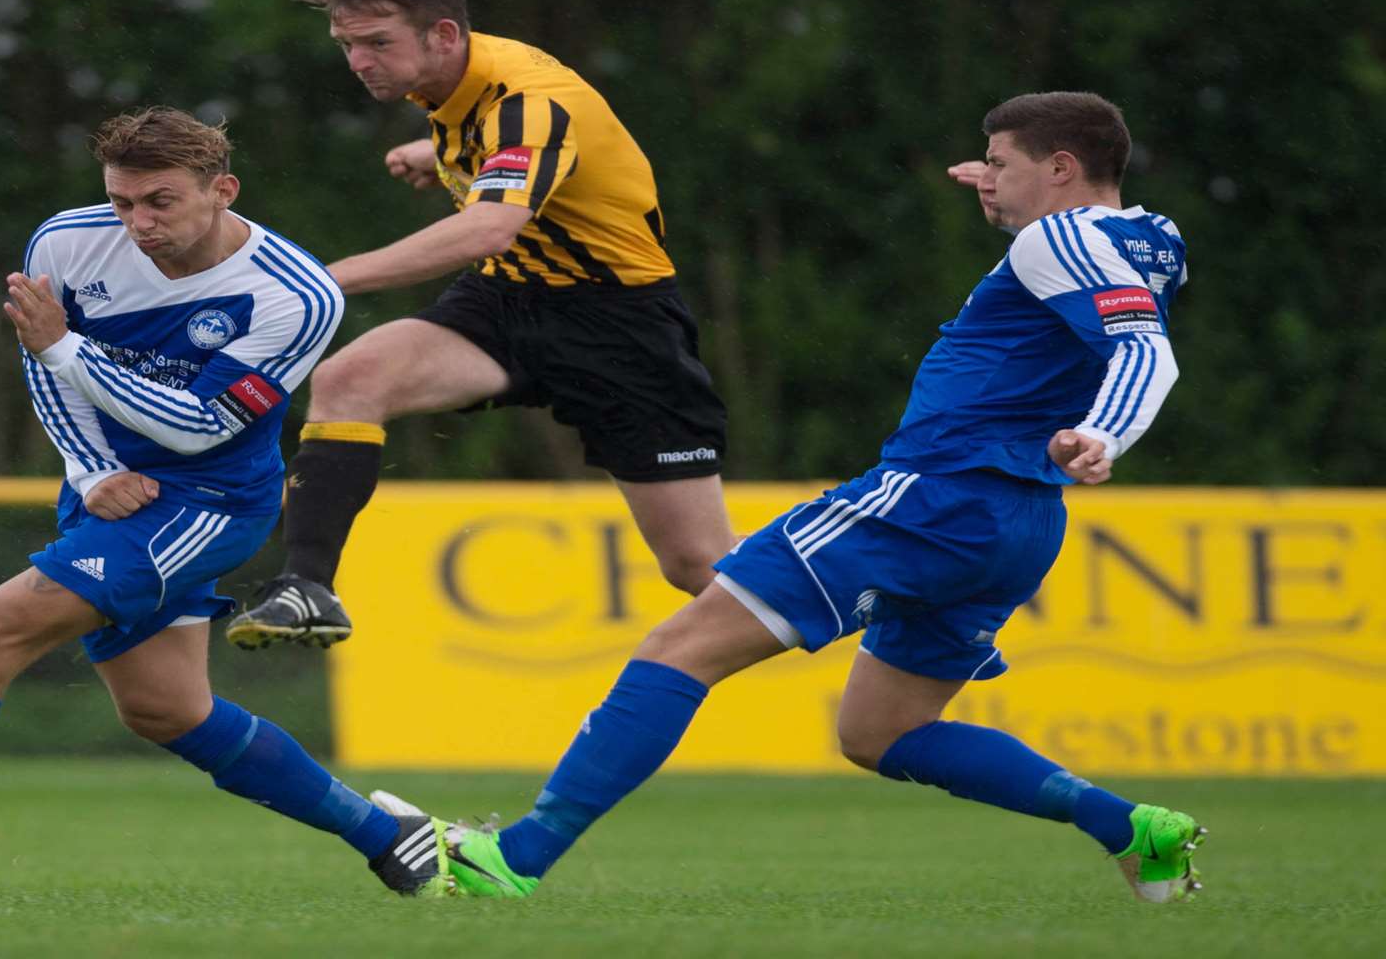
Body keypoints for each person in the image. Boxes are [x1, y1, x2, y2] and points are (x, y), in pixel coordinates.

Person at [393, 92, 1206, 903]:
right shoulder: (1151, 237)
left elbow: (1143, 349)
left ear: (1061, 168)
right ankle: (1130, 828)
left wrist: (1103, 433)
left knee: (680, 649)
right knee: (880, 732)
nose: (987, 179)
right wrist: (1011, 187)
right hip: (1019, 521)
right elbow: (1097, 269)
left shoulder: (1060, 237)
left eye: (1000, 164)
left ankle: (514, 860)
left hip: (933, 499)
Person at [0, 107, 457, 897]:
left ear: (222, 190)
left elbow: (195, 425)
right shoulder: (67, 240)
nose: (137, 224)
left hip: (209, 502)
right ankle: (393, 840)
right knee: (166, 712)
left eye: (160, 202)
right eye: (123, 202)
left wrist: (65, 345)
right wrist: (91, 467)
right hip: (107, 491)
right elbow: (42, 364)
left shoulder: (297, 295)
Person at [222, 0, 735, 650]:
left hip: (620, 323)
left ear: (443, 36)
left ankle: (885, 610)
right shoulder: (452, 84)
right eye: (347, 45)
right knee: (350, 376)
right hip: (507, 301)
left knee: (698, 567)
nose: (359, 62)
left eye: (378, 43)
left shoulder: (529, 99)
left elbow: (492, 224)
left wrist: (330, 276)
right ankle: (307, 587)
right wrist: (436, 155)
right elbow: (510, 158)